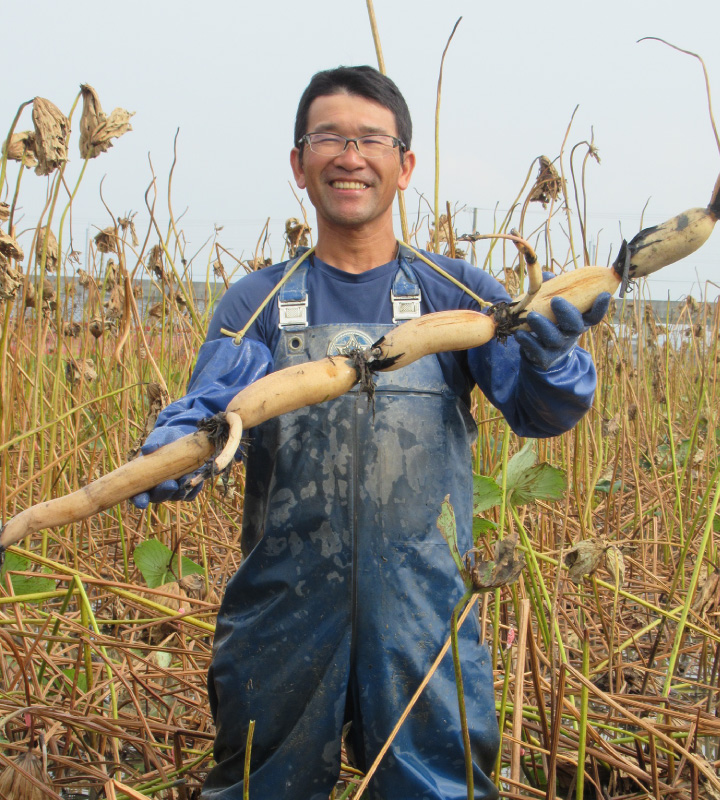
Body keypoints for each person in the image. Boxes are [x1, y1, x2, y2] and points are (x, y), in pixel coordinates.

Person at [133, 66, 609, 800]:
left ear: (405, 164)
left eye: (371, 139)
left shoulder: (462, 294)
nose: (349, 155)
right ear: (299, 163)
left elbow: (541, 414)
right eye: (328, 137)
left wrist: (553, 357)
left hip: (424, 612)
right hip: (281, 613)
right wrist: (177, 450)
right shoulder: (258, 301)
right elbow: (212, 416)